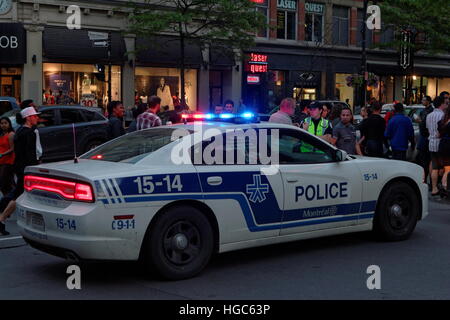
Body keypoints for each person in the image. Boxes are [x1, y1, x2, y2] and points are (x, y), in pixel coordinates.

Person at [14, 107, 41, 201]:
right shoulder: (30, 133)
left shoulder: (19, 131)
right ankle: (4, 211)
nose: (37, 118)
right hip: (26, 168)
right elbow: (30, 153)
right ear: (28, 118)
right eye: (34, 116)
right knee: (20, 193)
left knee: (19, 191)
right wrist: (33, 167)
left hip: (19, 166)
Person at [426, 95, 448, 196]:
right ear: (441, 104)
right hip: (440, 143)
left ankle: (434, 187)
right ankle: (443, 185)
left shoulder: (429, 115)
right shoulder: (443, 116)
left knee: (434, 166)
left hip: (431, 142)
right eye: (445, 103)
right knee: (443, 166)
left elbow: (427, 129)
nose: (446, 104)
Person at [415, 96, 434, 184]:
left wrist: (420, 121)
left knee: (426, 161)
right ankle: (425, 179)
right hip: (424, 137)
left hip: (426, 138)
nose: (422, 101)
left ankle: (427, 180)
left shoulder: (430, 111)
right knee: (423, 161)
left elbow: (425, 126)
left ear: (428, 101)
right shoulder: (424, 111)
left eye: (424, 100)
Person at [0, 117, 15, 195]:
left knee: (3, 183)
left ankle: (10, 199)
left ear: (9, 124)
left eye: (5, 123)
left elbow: (12, 149)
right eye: (2, 123)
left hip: (8, 162)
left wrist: (2, 154)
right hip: (1, 161)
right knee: (8, 182)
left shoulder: (11, 134)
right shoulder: (1, 134)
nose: (3, 125)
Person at [438, 107, 450, 193]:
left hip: (443, 145)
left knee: (445, 167)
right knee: (448, 169)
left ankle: (442, 185)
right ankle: (444, 186)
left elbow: (439, 133)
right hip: (448, 146)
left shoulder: (443, 121)